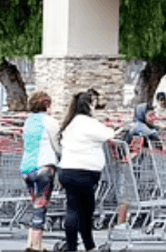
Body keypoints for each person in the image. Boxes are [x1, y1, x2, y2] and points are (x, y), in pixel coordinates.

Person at [58, 91, 116, 252]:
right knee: (86, 210)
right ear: (89, 105)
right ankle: (89, 245)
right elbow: (108, 134)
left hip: (67, 169)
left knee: (72, 208)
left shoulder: (70, 123)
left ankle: (72, 246)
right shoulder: (89, 123)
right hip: (85, 171)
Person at [21, 92, 60, 252]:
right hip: (44, 166)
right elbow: (57, 144)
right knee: (41, 205)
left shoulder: (28, 122)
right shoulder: (50, 122)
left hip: (26, 168)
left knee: (36, 204)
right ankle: (36, 246)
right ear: (47, 105)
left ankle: (32, 242)